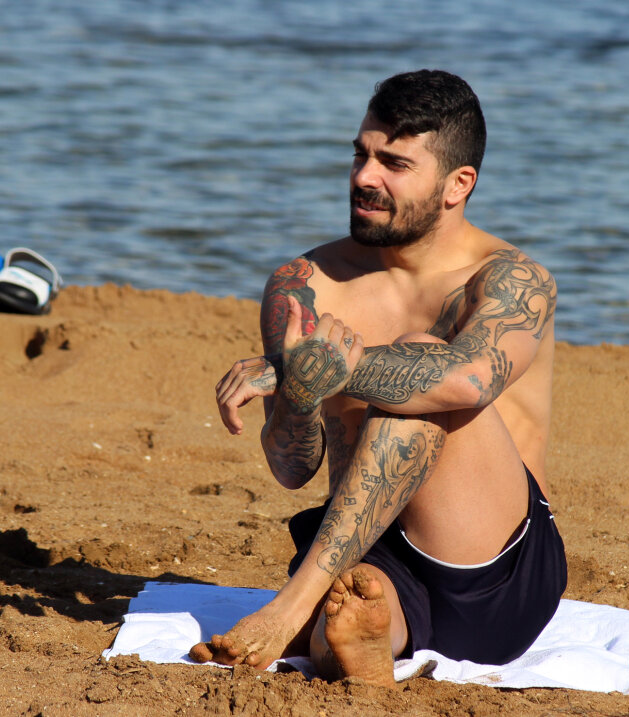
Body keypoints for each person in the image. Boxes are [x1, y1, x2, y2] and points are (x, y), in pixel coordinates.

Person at [188, 69, 567, 686]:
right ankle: (360, 642)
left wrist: (304, 367)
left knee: (420, 367)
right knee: (354, 610)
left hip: (495, 569)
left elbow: (467, 382)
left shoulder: (511, 280)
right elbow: (291, 469)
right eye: (361, 155)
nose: (365, 177)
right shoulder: (304, 285)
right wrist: (300, 395)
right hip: (365, 547)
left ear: (458, 184)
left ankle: (292, 607)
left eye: (394, 163)